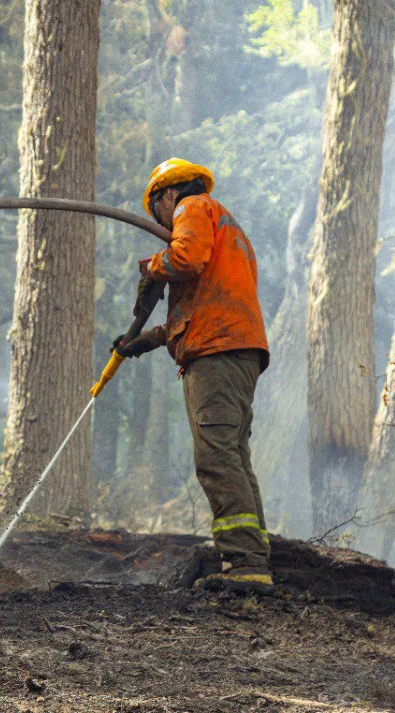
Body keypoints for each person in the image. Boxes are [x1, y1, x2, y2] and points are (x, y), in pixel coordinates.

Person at [116, 158, 273, 595]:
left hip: (218, 354)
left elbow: (184, 258)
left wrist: (152, 268)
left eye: (158, 214)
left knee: (216, 458)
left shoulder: (193, 208)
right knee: (233, 455)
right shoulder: (228, 231)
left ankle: (244, 566)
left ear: (166, 196)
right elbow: (196, 310)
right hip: (234, 350)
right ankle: (254, 558)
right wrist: (140, 341)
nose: (164, 223)